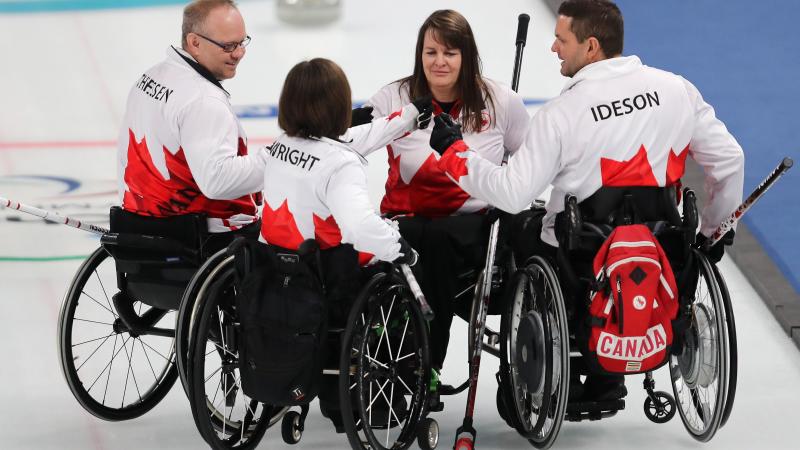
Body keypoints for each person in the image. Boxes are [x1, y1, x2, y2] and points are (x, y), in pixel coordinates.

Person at [431, 0, 744, 401]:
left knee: (519, 226)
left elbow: (511, 193)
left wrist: (455, 155)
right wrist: (715, 231)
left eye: (561, 40)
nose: (554, 48)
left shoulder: (561, 114)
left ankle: (530, 377)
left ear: (591, 46)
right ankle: (606, 378)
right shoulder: (677, 90)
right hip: (662, 248)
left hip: (580, 258)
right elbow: (730, 160)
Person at [353, 9, 531, 378]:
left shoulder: (501, 101)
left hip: (473, 229)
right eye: (431, 52)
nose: (439, 62)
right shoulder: (395, 97)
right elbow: (357, 138)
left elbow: (527, 161)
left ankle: (423, 367)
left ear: (466, 56)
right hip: (405, 222)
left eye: (450, 53)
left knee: (434, 240)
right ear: (420, 55)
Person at [260, 57, 431, 431]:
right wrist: (399, 246)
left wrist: (408, 116)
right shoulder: (340, 164)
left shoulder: (278, 147)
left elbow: (356, 138)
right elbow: (360, 228)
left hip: (277, 271)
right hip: (329, 276)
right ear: (339, 107)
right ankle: (383, 393)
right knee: (400, 263)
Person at [116, 0, 265, 254]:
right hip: (203, 238)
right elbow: (217, 181)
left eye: (242, 42)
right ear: (195, 42)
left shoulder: (151, 77)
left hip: (141, 223)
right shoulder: (203, 100)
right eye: (228, 46)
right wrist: (278, 161)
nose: (239, 53)